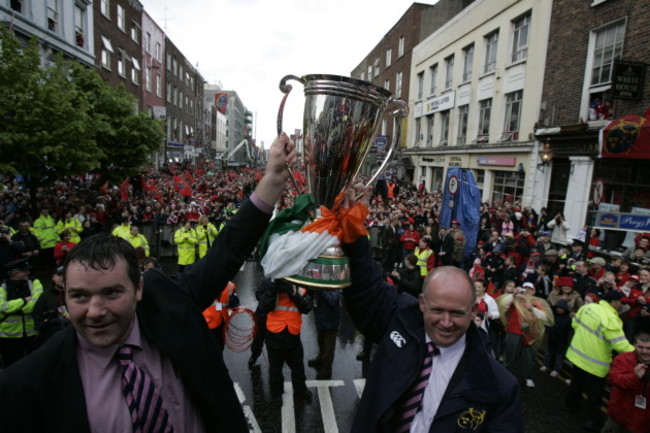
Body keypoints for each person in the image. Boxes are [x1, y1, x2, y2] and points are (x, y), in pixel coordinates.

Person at [0, 132, 296, 433]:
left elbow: (227, 249)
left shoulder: (167, 302)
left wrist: (272, 177)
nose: (95, 310)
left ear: (139, 287)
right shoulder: (29, 383)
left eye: (112, 292)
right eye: (79, 296)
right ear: (63, 294)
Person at [340, 185, 523, 432]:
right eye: (437, 311)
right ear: (422, 303)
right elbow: (366, 285)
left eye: (457, 313)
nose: (446, 323)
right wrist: (353, 227)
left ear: (473, 312)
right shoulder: (399, 319)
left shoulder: (498, 385)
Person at [566, 290, 635, 432]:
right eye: (621, 303)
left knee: (576, 384)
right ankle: (594, 421)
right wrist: (639, 353)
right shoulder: (611, 319)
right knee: (595, 394)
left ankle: (571, 406)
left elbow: (575, 324)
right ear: (614, 302)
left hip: (576, 356)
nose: (622, 306)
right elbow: (620, 345)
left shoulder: (587, 307)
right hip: (595, 364)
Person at [259, 279, 313, 405]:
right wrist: (274, 288)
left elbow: (306, 308)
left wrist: (294, 294)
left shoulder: (301, 284)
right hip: (274, 334)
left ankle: (300, 389)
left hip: (293, 334)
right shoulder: (269, 282)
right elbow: (263, 305)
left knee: (298, 366)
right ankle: (276, 393)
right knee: (275, 368)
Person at [498, 281, 553, 388]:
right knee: (510, 354)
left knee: (529, 357)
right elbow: (503, 305)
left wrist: (532, 308)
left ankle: (528, 377)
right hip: (514, 331)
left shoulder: (537, 302)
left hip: (531, 334)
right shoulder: (515, 299)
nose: (527, 291)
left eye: (530, 289)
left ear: (534, 291)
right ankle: (505, 375)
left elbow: (546, 318)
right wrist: (513, 295)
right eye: (525, 288)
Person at [602, 331, 650, 433]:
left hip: (641, 422)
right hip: (618, 415)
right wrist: (634, 377)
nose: (645, 351)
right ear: (634, 346)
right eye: (641, 347)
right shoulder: (622, 359)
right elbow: (614, 378)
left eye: (648, 348)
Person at [0, 258, 44, 366]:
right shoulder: (2, 286)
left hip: (32, 333)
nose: (28, 272)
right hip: (9, 336)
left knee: (36, 365)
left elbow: (35, 305)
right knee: (12, 366)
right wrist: (23, 301)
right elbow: (1, 306)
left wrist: (13, 306)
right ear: (14, 273)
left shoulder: (34, 282)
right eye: (25, 270)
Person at [308, 289, 341, 380]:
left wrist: (320, 289)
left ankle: (327, 369)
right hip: (320, 317)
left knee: (328, 347)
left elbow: (332, 300)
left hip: (330, 320)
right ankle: (320, 359)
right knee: (321, 341)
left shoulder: (333, 283)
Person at [32, 265, 69, 344]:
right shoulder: (45, 296)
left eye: (65, 275)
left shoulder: (75, 295)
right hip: (52, 338)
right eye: (59, 275)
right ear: (53, 277)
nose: (62, 277)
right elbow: (36, 315)